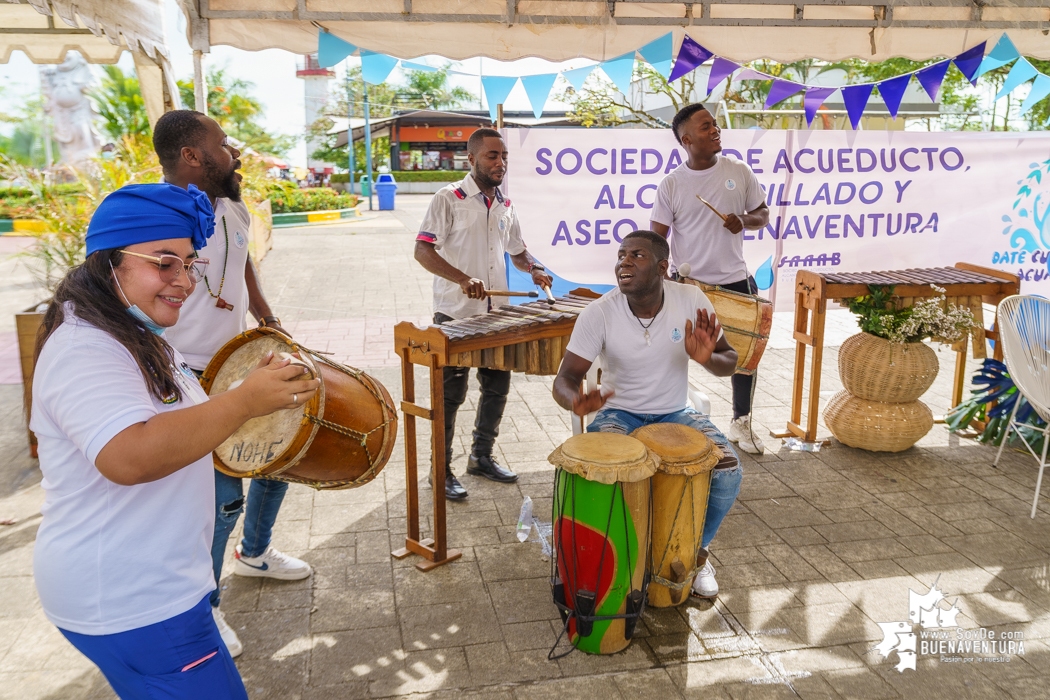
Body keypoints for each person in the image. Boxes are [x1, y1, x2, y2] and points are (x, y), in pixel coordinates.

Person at [30, 183, 319, 698]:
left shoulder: (131, 330)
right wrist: (244, 402)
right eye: (165, 263)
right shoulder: (84, 347)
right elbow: (130, 456)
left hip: (153, 590)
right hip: (134, 600)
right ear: (109, 262)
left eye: (189, 264)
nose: (184, 281)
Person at [155, 109, 312, 658]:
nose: (234, 151)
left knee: (278, 456)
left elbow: (242, 262)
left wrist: (265, 316)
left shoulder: (231, 204)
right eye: (222, 144)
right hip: (187, 370)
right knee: (220, 497)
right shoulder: (160, 214)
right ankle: (206, 605)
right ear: (192, 156)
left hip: (236, 360)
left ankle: (255, 552)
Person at [552, 230, 742, 599]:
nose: (623, 261)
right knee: (598, 478)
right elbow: (566, 378)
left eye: (636, 255)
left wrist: (706, 358)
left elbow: (729, 361)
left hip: (675, 413)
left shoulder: (690, 300)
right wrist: (574, 400)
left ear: (662, 267)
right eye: (621, 255)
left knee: (730, 469)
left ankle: (696, 554)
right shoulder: (599, 313)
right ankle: (620, 562)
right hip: (618, 415)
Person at [414, 127, 554, 500]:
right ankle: (439, 471)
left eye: (504, 156)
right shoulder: (449, 198)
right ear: (471, 159)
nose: (500, 163)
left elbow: (518, 251)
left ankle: (481, 457)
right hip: (457, 315)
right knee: (450, 397)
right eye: (492, 156)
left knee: (496, 389)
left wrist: (535, 267)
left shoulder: (506, 204)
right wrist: (462, 279)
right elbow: (423, 252)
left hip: (497, 316)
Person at [650, 103, 771, 454]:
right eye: (706, 127)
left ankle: (741, 423)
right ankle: (669, 419)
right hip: (690, 286)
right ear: (687, 139)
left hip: (735, 280)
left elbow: (762, 213)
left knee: (745, 357)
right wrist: (660, 279)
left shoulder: (738, 170)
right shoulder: (672, 184)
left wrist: (744, 221)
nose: (715, 130)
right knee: (672, 354)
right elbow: (657, 238)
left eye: (715, 124)